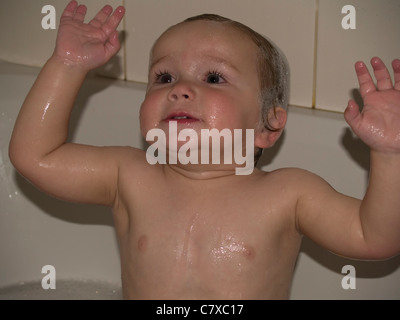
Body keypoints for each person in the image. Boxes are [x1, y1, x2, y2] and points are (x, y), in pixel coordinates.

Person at [9, 1, 400, 299]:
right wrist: (67, 65)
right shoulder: (127, 175)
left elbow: (374, 237)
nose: (178, 88)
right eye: (163, 77)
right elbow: (34, 156)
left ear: (269, 124)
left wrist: (389, 154)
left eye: (214, 77)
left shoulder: (288, 195)